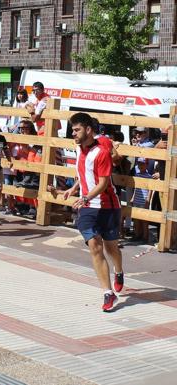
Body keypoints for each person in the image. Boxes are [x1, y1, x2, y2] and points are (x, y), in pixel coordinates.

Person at [56, 112, 123, 312]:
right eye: (72, 130)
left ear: (88, 129)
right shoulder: (77, 148)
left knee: (111, 248)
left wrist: (85, 196)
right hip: (87, 208)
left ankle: (118, 271)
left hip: (108, 206)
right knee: (95, 246)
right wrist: (75, 188)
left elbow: (103, 183)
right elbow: (85, 171)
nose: (73, 134)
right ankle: (108, 293)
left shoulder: (101, 151)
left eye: (76, 130)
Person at [131, 157, 152, 242]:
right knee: (136, 219)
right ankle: (137, 234)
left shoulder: (149, 176)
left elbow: (150, 189)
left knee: (144, 220)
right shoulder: (137, 175)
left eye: (143, 164)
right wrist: (133, 197)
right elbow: (136, 188)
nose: (141, 165)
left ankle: (145, 236)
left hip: (144, 201)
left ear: (147, 165)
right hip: (137, 199)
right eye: (139, 163)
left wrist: (148, 200)